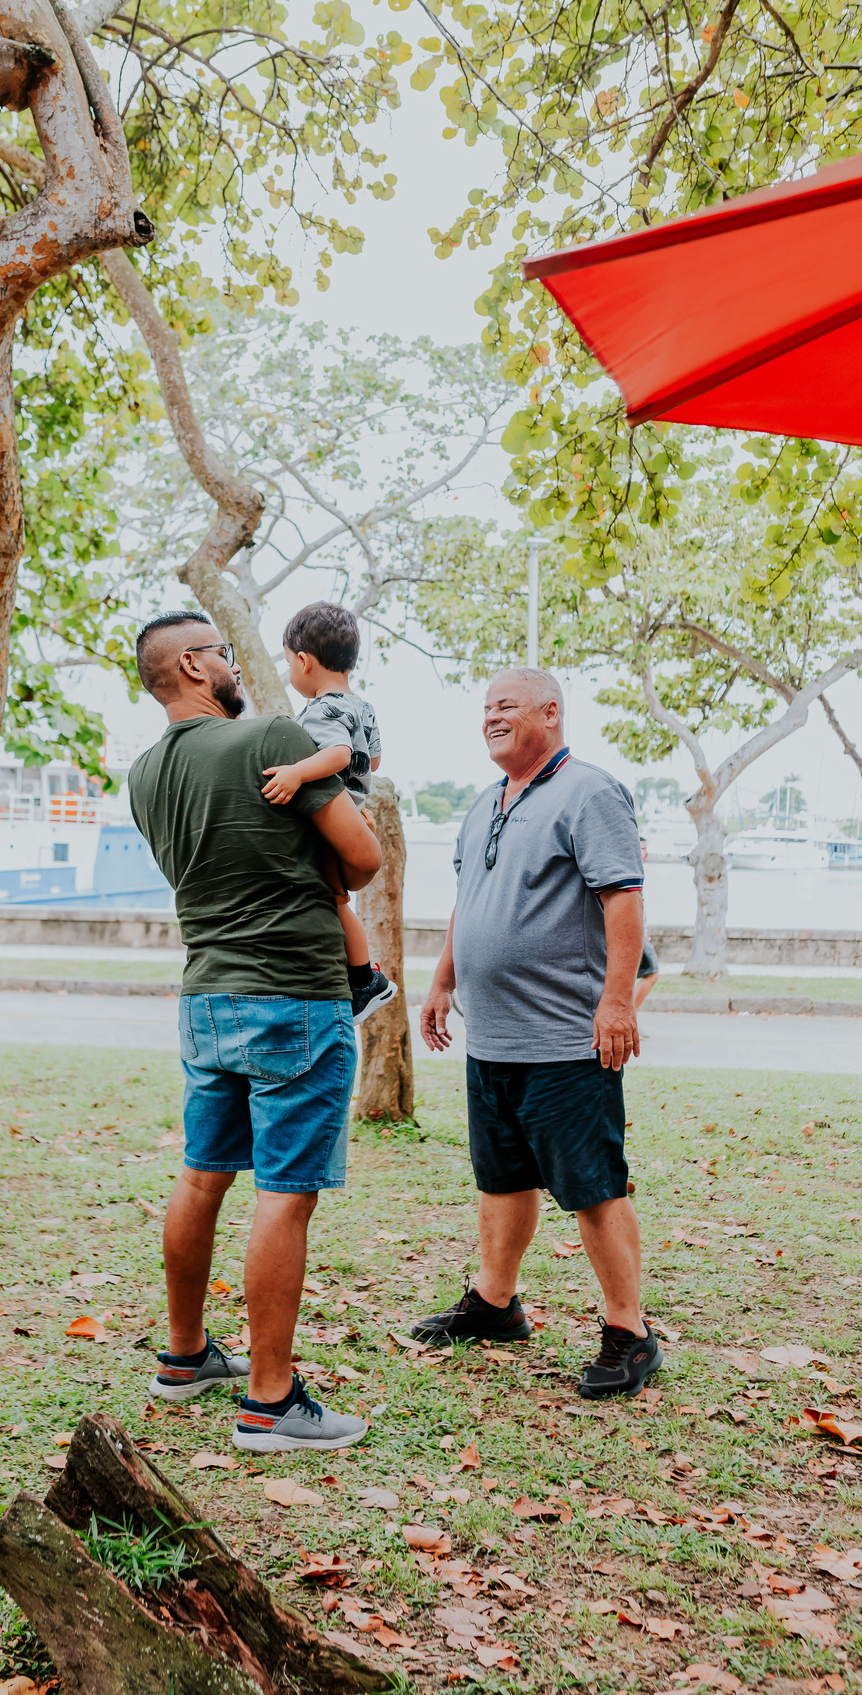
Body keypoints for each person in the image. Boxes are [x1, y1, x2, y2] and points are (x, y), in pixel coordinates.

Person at [128, 610, 383, 1452]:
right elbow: (363, 857)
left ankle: (184, 1356)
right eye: (226, 654)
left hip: (208, 992)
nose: (238, 667)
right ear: (195, 666)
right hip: (294, 994)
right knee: (285, 1191)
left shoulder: (143, 774)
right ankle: (271, 1402)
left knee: (204, 1174)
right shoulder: (267, 737)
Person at [414, 667, 662, 1400]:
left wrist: (616, 1004)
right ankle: (496, 1302)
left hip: (565, 1041)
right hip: (492, 1039)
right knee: (501, 1177)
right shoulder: (483, 802)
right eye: (485, 708)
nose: (490, 717)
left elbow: (624, 900)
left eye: (507, 706)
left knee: (592, 1186)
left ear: (550, 713)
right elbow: (470, 901)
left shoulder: (589, 791)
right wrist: (442, 980)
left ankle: (631, 1332)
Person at [259, 602, 396, 1025]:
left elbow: (338, 753)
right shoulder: (363, 706)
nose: (290, 672)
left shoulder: (322, 709)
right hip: (354, 813)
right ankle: (361, 976)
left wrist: (299, 772)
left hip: (334, 822)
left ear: (303, 661)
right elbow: (371, 762)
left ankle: (364, 980)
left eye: (287, 663)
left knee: (336, 902)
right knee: (339, 900)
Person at [634, 837, 660, 1013]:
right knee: (652, 973)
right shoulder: (631, 872)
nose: (646, 852)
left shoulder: (637, 871)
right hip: (636, 935)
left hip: (640, 934)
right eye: (642, 848)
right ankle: (630, 1018)